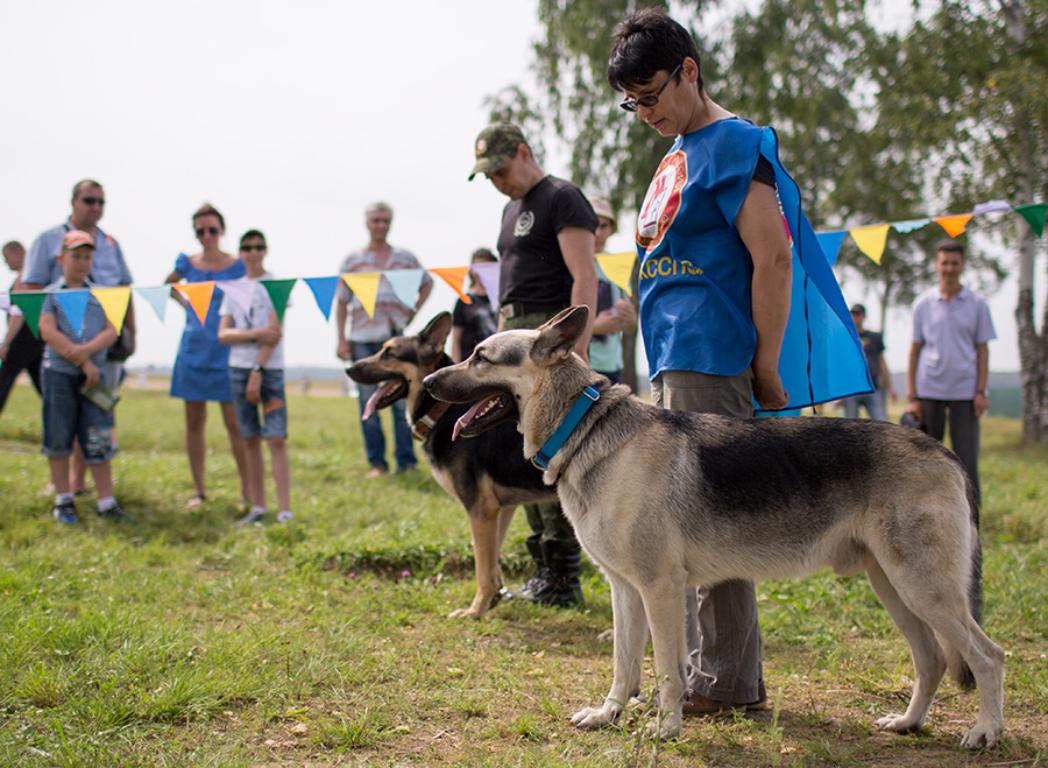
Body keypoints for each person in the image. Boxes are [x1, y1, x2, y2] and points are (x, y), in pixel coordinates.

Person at [608, 8, 861, 714]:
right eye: (631, 103)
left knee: (707, 524)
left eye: (650, 94)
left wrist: (769, 363)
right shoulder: (678, 150)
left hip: (713, 356)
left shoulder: (736, 144)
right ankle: (699, 671)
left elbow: (772, 256)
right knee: (679, 526)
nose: (642, 111)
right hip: (672, 355)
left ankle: (724, 680)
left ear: (689, 70)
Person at [469, 122, 598, 607]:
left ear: (523, 152)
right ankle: (543, 568)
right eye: (487, 176)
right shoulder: (509, 209)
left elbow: (583, 278)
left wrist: (575, 351)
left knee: (558, 455)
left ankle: (565, 575)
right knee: (526, 455)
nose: (496, 181)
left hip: (551, 341)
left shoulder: (563, 199)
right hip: (514, 342)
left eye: (499, 169)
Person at [23, 179, 135, 493]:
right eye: (89, 200)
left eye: (101, 201)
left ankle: (85, 485)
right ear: (74, 201)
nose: (95, 207)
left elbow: (125, 293)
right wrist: (72, 350)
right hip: (58, 349)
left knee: (96, 419)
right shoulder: (47, 240)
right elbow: (32, 294)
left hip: (102, 345)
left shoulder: (111, 244)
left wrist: (130, 334)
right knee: (61, 420)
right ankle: (63, 489)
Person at [335, 202, 432, 478]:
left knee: (402, 401)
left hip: (396, 339)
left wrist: (412, 311)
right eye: (376, 220)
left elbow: (428, 283)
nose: (381, 225)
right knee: (368, 402)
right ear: (367, 223)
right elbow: (341, 302)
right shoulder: (353, 261)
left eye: (385, 220)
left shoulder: (405, 258)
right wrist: (341, 339)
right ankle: (377, 463)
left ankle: (406, 462)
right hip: (362, 339)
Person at [165, 204, 250, 509]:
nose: (207, 236)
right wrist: (188, 305)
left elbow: (252, 294)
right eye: (200, 230)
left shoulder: (238, 264)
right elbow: (168, 285)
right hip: (194, 348)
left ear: (222, 230)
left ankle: (247, 491)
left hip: (227, 350)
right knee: (193, 420)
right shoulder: (186, 263)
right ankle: (199, 490)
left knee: (234, 421)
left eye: (212, 229)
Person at [38, 230, 126, 523]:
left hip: (94, 377)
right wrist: (80, 359)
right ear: (61, 258)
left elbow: (112, 331)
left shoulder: (104, 294)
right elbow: (48, 331)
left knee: (98, 436)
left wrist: (86, 355)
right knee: (59, 434)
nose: (82, 262)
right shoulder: (50, 294)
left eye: (87, 256)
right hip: (58, 374)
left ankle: (106, 501)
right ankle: (63, 499)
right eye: (76, 256)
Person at [906, 240, 995, 507]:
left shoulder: (977, 304)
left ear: (962, 265)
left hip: (965, 392)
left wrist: (981, 391)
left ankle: (971, 518)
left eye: (954, 263)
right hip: (929, 390)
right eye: (944, 262)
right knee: (925, 458)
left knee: (967, 460)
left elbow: (982, 350)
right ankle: (930, 511)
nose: (949, 268)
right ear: (936, 264)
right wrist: (913, 396)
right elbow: (914, 351)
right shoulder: (923, 304)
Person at [218, 230, 292, 525]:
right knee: (249, 438)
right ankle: (259, 507)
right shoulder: (233, 288)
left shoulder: (277, 286)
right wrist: (254, 334)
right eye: (247, 247)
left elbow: (274, 332)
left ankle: (285, 509)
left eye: (259, 246)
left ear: (266, 250)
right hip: (237, 369)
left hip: (269, 371)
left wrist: (258, 370)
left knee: (275, 438)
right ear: (240, 252)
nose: (253, 252)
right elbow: (223, 333)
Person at [587, 198, 636, 384]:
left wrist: (630, 319)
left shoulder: (619, 266)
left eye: (604, 225)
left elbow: (629, 326)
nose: (598, 232)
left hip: (613, 367)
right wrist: (594, 327)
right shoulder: (570, 265)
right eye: (592, 224)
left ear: (611, 229)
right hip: (581, 364)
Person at [0, 241, 45, 412]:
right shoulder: (36, 274)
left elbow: (19, 312)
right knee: (44, 389)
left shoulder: (26, 275)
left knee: (3, 381)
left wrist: (6, 342)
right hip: (37, 341)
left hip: (22, 341)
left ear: (16, 253)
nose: (6, 263)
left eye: (6, 258)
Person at [840, 303, 895, 420]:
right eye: (853, 314)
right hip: (851, 389)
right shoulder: (844, 336)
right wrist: (840, 392)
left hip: (872, 387)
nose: (855, 317)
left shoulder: (874, 337)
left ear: (864, 316)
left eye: (858, 314)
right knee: (849, 427)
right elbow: (841, 365)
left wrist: (890, 387)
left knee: (881, 422)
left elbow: (882, 362)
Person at [450, 248, 499, 363]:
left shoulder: (503, 298)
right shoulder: (464, 301)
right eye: (478, 267)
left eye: (486, 267)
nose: (481, 272)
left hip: (497, 359)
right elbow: (456, 339)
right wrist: (455, 365)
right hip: (471, 361)